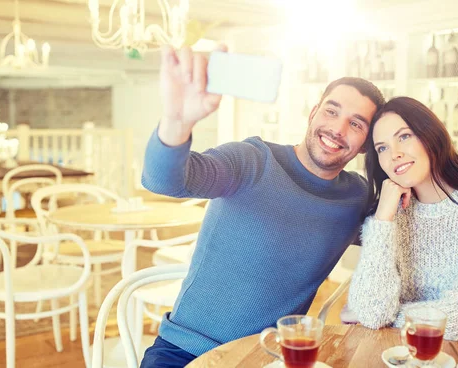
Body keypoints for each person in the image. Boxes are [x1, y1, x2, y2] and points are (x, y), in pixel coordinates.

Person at [139, 44, 386, 367]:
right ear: (313, 113)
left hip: (269, 358)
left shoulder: (355, 198)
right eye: (331, 111)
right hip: (185, 351)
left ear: (366, 143)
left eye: (356, 124)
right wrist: (176, 119)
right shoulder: (252, 160)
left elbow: (393, 244)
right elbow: (164, 180)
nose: (337, 129)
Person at [343, 96, 458, 349]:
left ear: (431, 136)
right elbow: (372, 310)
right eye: (382, 148)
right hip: (393, 354)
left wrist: (383, 316)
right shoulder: (389, 214)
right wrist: (383, 217)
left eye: (405, 136)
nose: (394, 154)